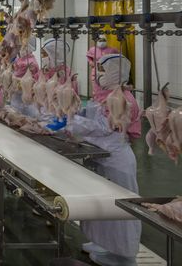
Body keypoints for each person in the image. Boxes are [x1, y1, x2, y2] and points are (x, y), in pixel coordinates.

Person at [63, 54, 141, 266]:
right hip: (100, 157)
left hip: (116, 160)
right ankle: (102, 244)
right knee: (100, 206)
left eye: (103, 70)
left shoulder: (124, 99)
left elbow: (103, 128)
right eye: (97, 69)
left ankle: (123, 255)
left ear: (117, 72)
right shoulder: (104, 95)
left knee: (119, 210)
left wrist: (72, 122)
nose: (98, 74)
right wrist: (74, 112)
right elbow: (92, 114)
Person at [10, 36, 40, 116]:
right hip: (17, 95)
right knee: (16, 114)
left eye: (22, 46)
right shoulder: (20, 59)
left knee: (27, 116)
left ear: (28, 47)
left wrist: (14, 78)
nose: (19, 48)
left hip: (26, 96)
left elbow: (30, 80)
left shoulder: (31, 62)